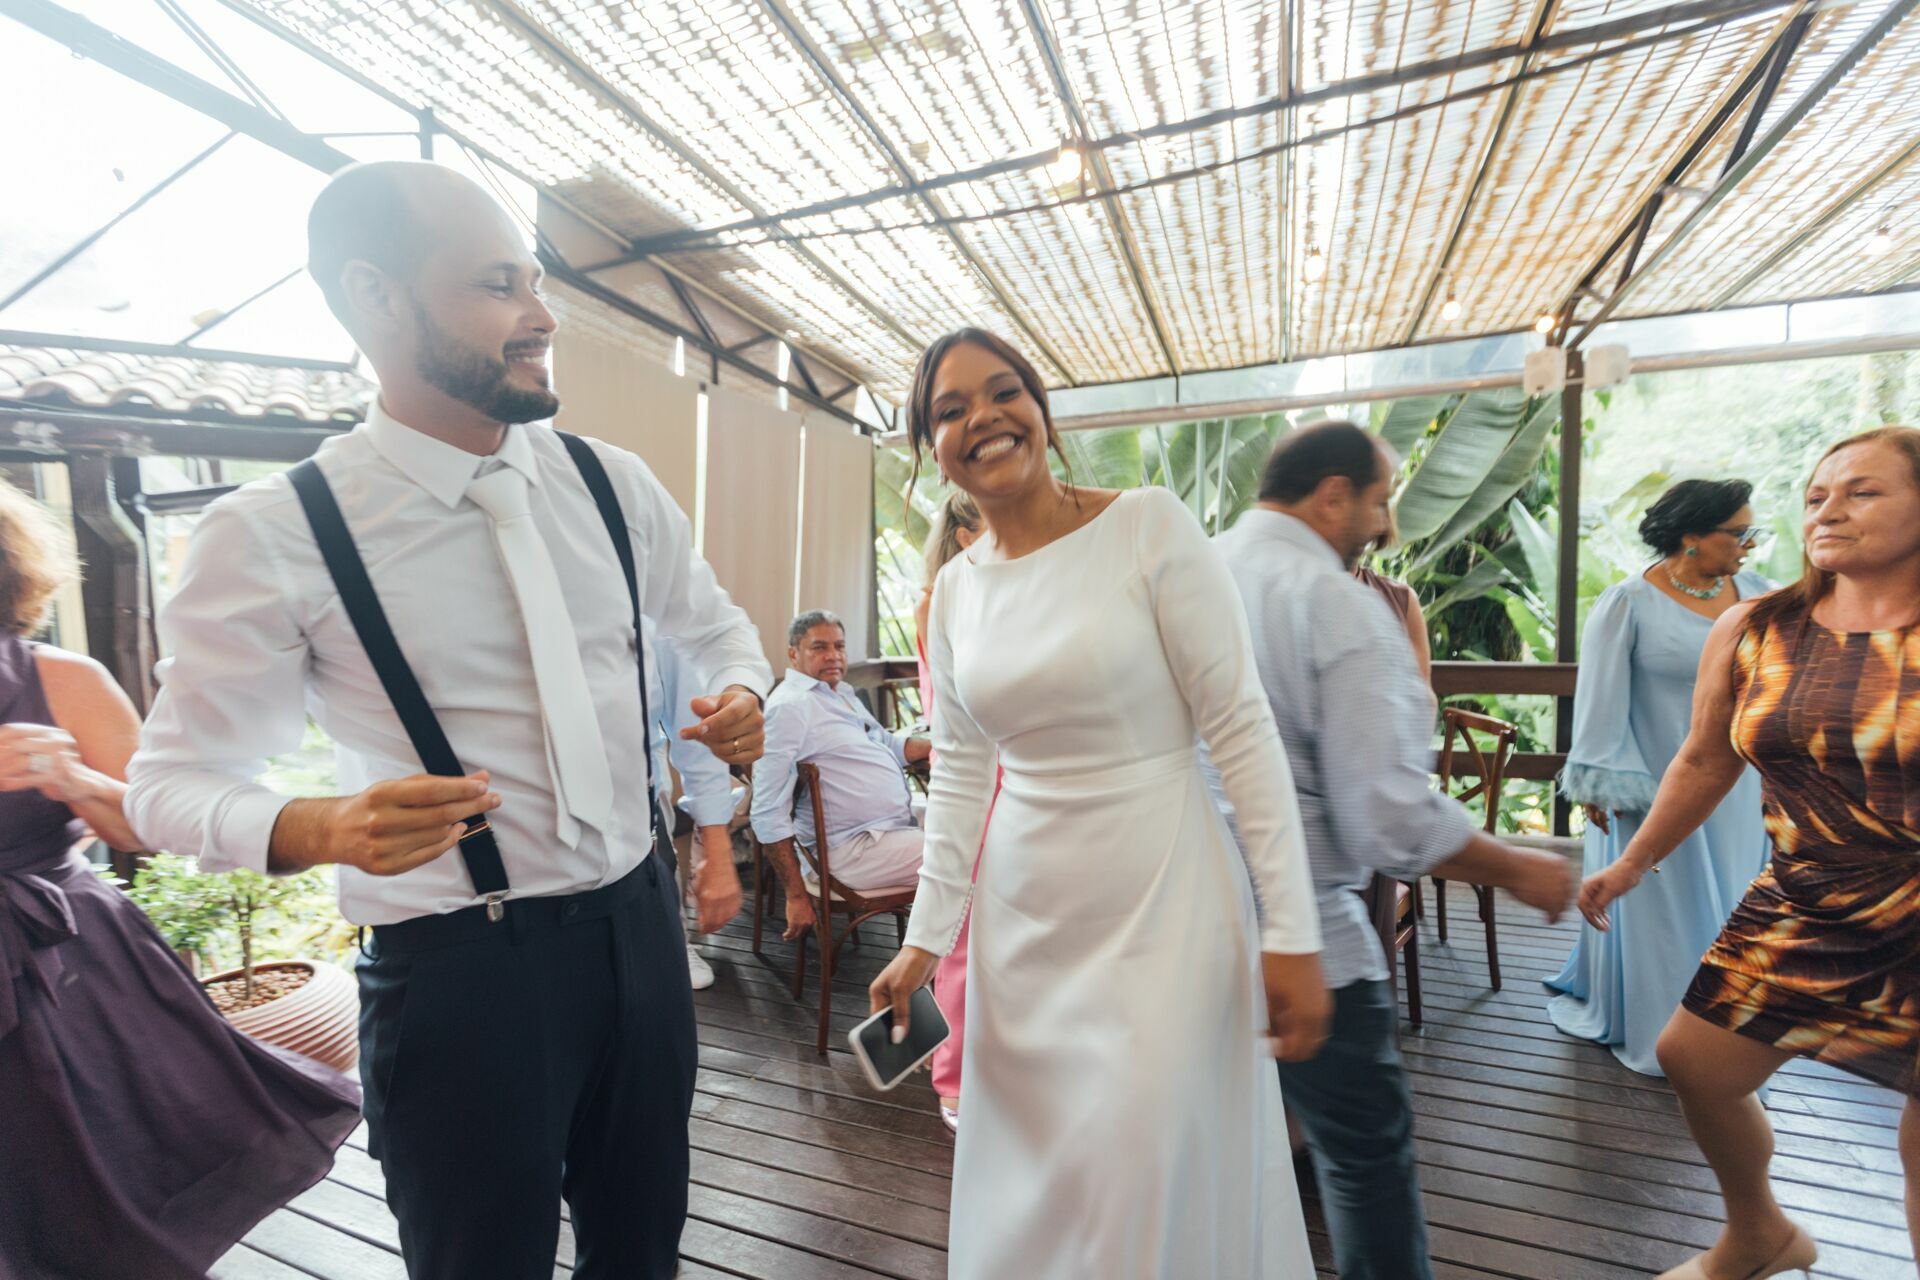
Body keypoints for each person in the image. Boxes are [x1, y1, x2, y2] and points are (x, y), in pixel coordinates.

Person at [123, 161, 771, 1280]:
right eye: (496, 285)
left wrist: (743, 692)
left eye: (535, 282)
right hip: (462, 980)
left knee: (643, 1252)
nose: (542, 315)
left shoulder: (610, 482)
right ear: (375, 296)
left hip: (643, 929)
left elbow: (716, 628)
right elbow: (166, 781)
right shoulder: (278, 531)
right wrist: (316, 825)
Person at [869, 328, 1330, 1279]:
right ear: (930, 448)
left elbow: (1241, 728)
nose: (983, 417)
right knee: (1040, 1179)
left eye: (1004, 392)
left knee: (1143, 1163)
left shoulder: (1149, 526)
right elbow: (960, 772)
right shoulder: (954, 592)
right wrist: (925, 940)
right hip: (1022, 922)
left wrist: (1291, 929)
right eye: (951, 410)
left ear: (1041, 409)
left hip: (1163, 897)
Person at [1211, 422, 1575, 1280]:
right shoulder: (1334, 603)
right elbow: (1386, 816)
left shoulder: (1193, 570)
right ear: (1333, 494)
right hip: (1307, 941)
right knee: (1365, 1157)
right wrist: (1515, 866)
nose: (1384, 525)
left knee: (1214, 1150)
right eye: (1379, 502)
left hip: (1180, 918)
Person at [0, 477, 361, 1280]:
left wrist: (75, 781)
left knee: (103, 1195)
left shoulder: (63, 679)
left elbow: (145, 827)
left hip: (73, 975)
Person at [1580, 426, 1920, 1277]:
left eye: (1862, 492)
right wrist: (1630, 862)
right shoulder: (1759, 626)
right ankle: (1759, 1234)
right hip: (1804, 898)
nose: (1827, 510)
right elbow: (1705, 759)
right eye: (1815, 496)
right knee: (1693, 1059)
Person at [1548, 479, 1771, 1075]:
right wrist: (1602, 784)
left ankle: (1723, 1029)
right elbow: (1599, 700)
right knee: (1662, 910)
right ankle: (1663, 1030)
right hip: (1648, 786)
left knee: (1731, 906)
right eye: (1739, 532)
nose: (1750, 543)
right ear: (1691, 536)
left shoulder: (1761, 597)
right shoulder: (1628, 603)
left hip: (1738, 789)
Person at [751, 610, 928, 937]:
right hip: (850, 851)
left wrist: (938, 745)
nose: (833, 655)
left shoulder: (839, 693)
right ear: (793, 654)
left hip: (887, 830)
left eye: (839, 646)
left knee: (972, 824)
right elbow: (766, 810)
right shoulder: (791, 707)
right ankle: (947, 960)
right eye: (819, 647)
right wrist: (795, 896)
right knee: (966, 853)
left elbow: (886, 743)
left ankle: (945, 953)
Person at [915, 490, 987, 1131]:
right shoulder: (944, 599)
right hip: (972, 769)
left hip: (996, 769)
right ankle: (953, 1077)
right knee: (962, 929)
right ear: (966, 535)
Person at [650, 626, 744, 990]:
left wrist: (717, 852)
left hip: (638, 785)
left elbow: (692, 727)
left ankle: (677, 943)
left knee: (661, 867)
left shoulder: (655, 616)